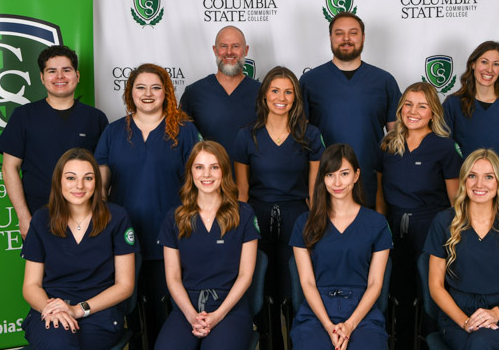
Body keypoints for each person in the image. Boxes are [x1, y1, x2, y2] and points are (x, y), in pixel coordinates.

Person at [94, 63, 199, 349]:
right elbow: (100, 190)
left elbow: (200, 182)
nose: (148, 93)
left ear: (166, 92)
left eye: (156, 87)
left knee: (167, 310)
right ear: (130, 93)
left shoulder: (185, 131)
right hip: (124, 238)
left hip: (173, 236)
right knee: (133, 310)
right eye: (140, 87)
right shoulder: (114, 132)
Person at [232, 66, 325, 348]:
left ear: (296, 98)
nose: (281, 97)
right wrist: (241, 229)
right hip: (257, 216)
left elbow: (314, 189)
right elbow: (242, 191)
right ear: (264, 96)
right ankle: (270, 342)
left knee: (294, 288)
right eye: (275, 90)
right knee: (262, 289)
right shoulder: (246, 136)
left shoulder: (309, 134)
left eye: (288, 91)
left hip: (297, 217)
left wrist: (314, 223)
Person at [21, 148, 137, 350]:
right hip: (52, 309)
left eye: (88, 178)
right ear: (59, 181)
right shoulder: (41, 220)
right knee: (57, 342)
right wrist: (52, 309)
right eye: (71, 178)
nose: (79, 186)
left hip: (98, 312)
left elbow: (125, 285)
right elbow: (31, 286)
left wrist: (78, 310)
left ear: (96, 182)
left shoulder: (117, 218)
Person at [375, 82, 462, 349]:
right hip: (394, 228)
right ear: (401, 109)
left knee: (429, 291)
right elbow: (380, 192)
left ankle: (430, 343)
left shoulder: (444, 147)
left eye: (422, 106)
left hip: (431, 228)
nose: (414, 111)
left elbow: (456, 200)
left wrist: (453, 236)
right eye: (408, 104)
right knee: (398, 292)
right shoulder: (388, 145)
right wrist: (380, 229)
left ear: (433, 112)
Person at [424, 149, 499, 350]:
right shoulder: (443, 222)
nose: (479, 184)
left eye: (488, 177)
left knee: (480, 344)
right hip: (456, 316)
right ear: (464, 180)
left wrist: (496, 313)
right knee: (477, 343)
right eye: (472, 176)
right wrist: (465, 322)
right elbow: (435, 285)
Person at [155, 141, 260, 350]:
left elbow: (245, 275)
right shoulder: (175, 218)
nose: (207, 175)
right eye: (199, 167)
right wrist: (192, 315)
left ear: (224, 171)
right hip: (187, 307)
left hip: (230, 308)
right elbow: (173, 278)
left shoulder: (244, 214)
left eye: (214, 167)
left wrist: (217, 315)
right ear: (191, 172)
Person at [0, 45, 108, 238]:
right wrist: (24, 217)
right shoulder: (24, 116)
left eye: (66, 70)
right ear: (42, 77)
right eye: (52, 71)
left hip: (87, 214)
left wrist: (102, 206)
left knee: (91, 267)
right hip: (40, 213)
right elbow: (9, 168)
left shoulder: (95, 118)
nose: (60, 77)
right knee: (41, 269)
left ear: (77, 76)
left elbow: (103, 166)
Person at [290, 144, 392, 350]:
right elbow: (307, 282)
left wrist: (350, 325)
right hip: (317, 311)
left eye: (344, 174)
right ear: (323, 178)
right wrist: (329, 326)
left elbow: (375, 283)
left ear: (356, 176)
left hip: (362, 310)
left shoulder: (377, 223)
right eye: (330, 175)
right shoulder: (304, 223)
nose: (337, 182)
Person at [300, 11, 401, 208]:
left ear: (363, 37)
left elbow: (397, 137)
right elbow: (300, 139)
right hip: (325, 183)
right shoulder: (310, 81)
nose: (346, 39)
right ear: (330, 37)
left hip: (370, 183)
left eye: (353, 33)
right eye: (339, 33)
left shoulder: (384, 81)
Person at [441, 41, 499, 207]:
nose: (489, 69)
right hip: (464, 195)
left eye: (496, 64)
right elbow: (445, 153)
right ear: (473, 64)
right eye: (484, 62)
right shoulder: (453, 104)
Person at [179, 26, 260, 156]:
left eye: (235, 46)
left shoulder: (262, 93)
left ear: (246, 50)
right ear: (215, 50)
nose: (229, 52)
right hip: (209, 175)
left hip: (251, 175)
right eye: (223, 46)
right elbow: (180, 142)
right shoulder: (194, 93)